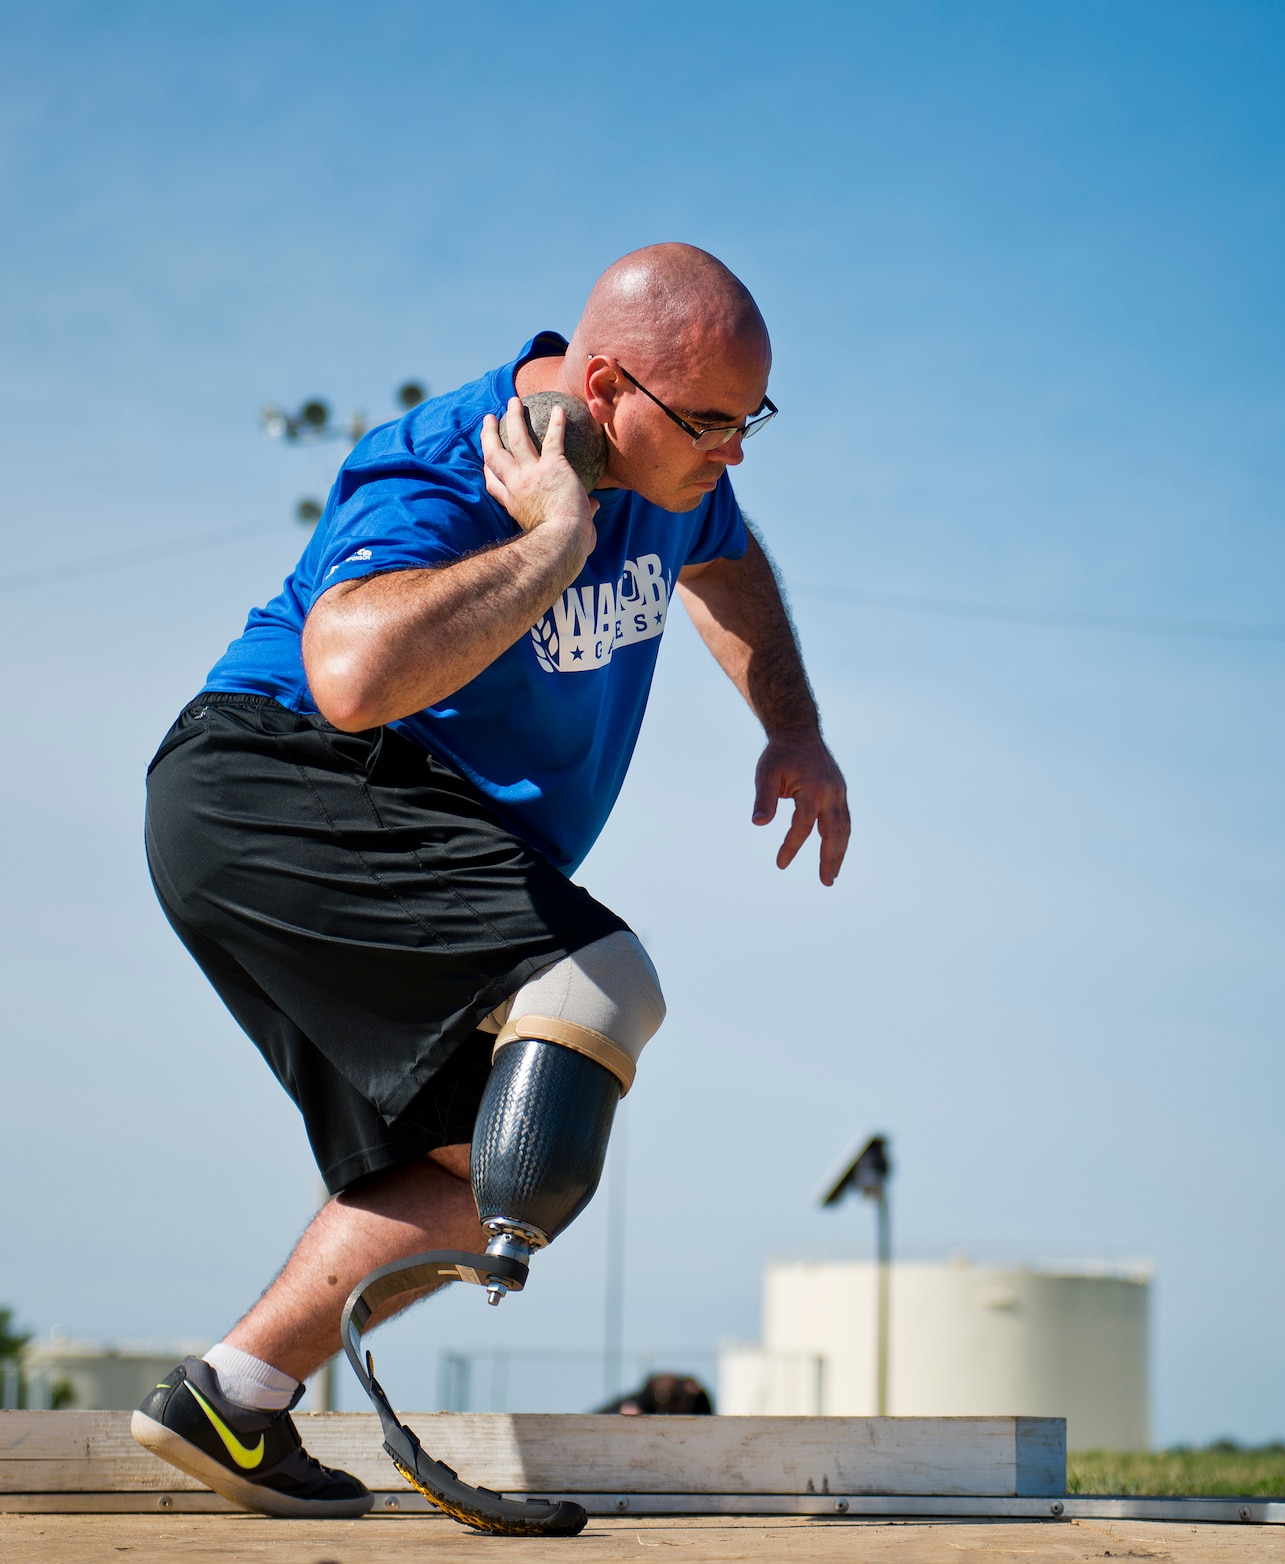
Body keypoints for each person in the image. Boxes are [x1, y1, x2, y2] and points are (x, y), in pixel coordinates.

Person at [133, 244, 849, 1518]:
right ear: (612, 385)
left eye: (754, 419)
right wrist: (557, 536)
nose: (733, 452)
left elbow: (726, 560)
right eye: (711, 423)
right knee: (599, 986)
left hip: (390, 824)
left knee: (486, 1171)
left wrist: (788, 727)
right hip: (279, 780)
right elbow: (350, 674)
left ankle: (232, 1401)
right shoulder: (457, 457)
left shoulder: (676, 468)